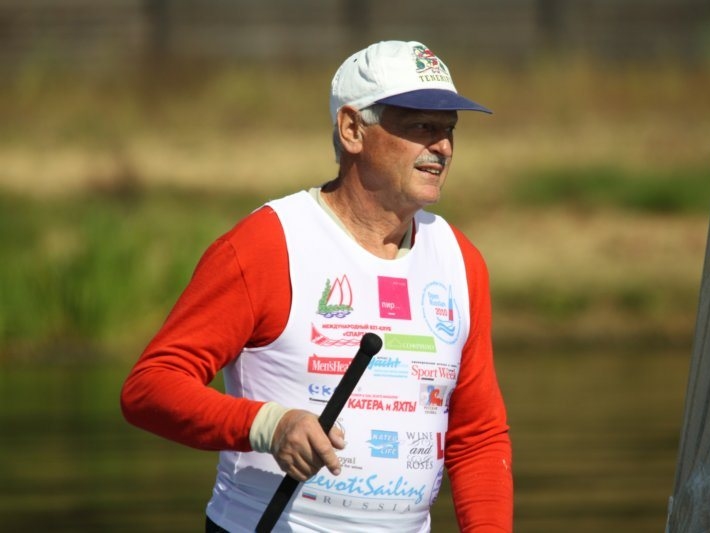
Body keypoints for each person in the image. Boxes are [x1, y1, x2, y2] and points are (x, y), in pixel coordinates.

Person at [121, 40, 513, 532]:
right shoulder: (268, 244)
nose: (443, 147)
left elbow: (477, 437)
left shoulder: (460, 260)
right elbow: (151, 387)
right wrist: (270, 426)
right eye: (421, 127)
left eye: (448, 129)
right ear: (352, 130)